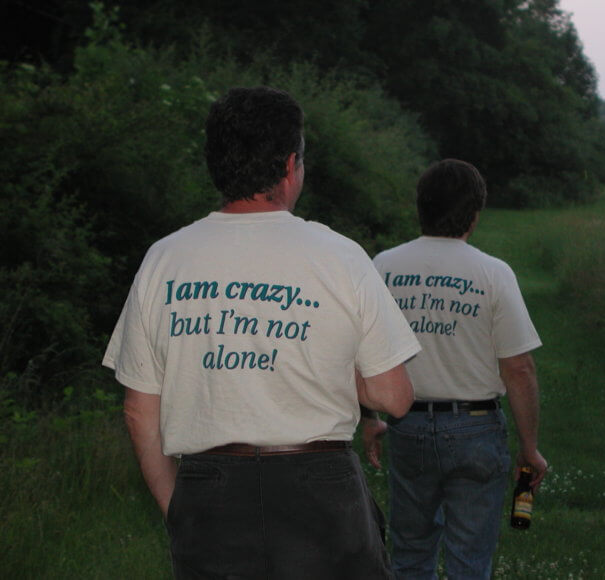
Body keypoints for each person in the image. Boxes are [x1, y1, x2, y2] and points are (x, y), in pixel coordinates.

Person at [102, 86, 421, 580]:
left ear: (215, 163)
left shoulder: (165, 259)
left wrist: (179, 509)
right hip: (321, 492)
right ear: (291, 165)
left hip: (209, 489)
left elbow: (138, 408)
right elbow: (393, 397)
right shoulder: (340, 256)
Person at [362, 159, 548, 579]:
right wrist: (529, 447)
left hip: (406, 425)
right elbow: (519, 368)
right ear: (475, 213)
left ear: (420, 206)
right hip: (476, 430)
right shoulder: (493, 273)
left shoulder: (383, 266)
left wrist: (369, 417)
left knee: (410, 553)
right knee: (469, 560)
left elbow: (361, 353)